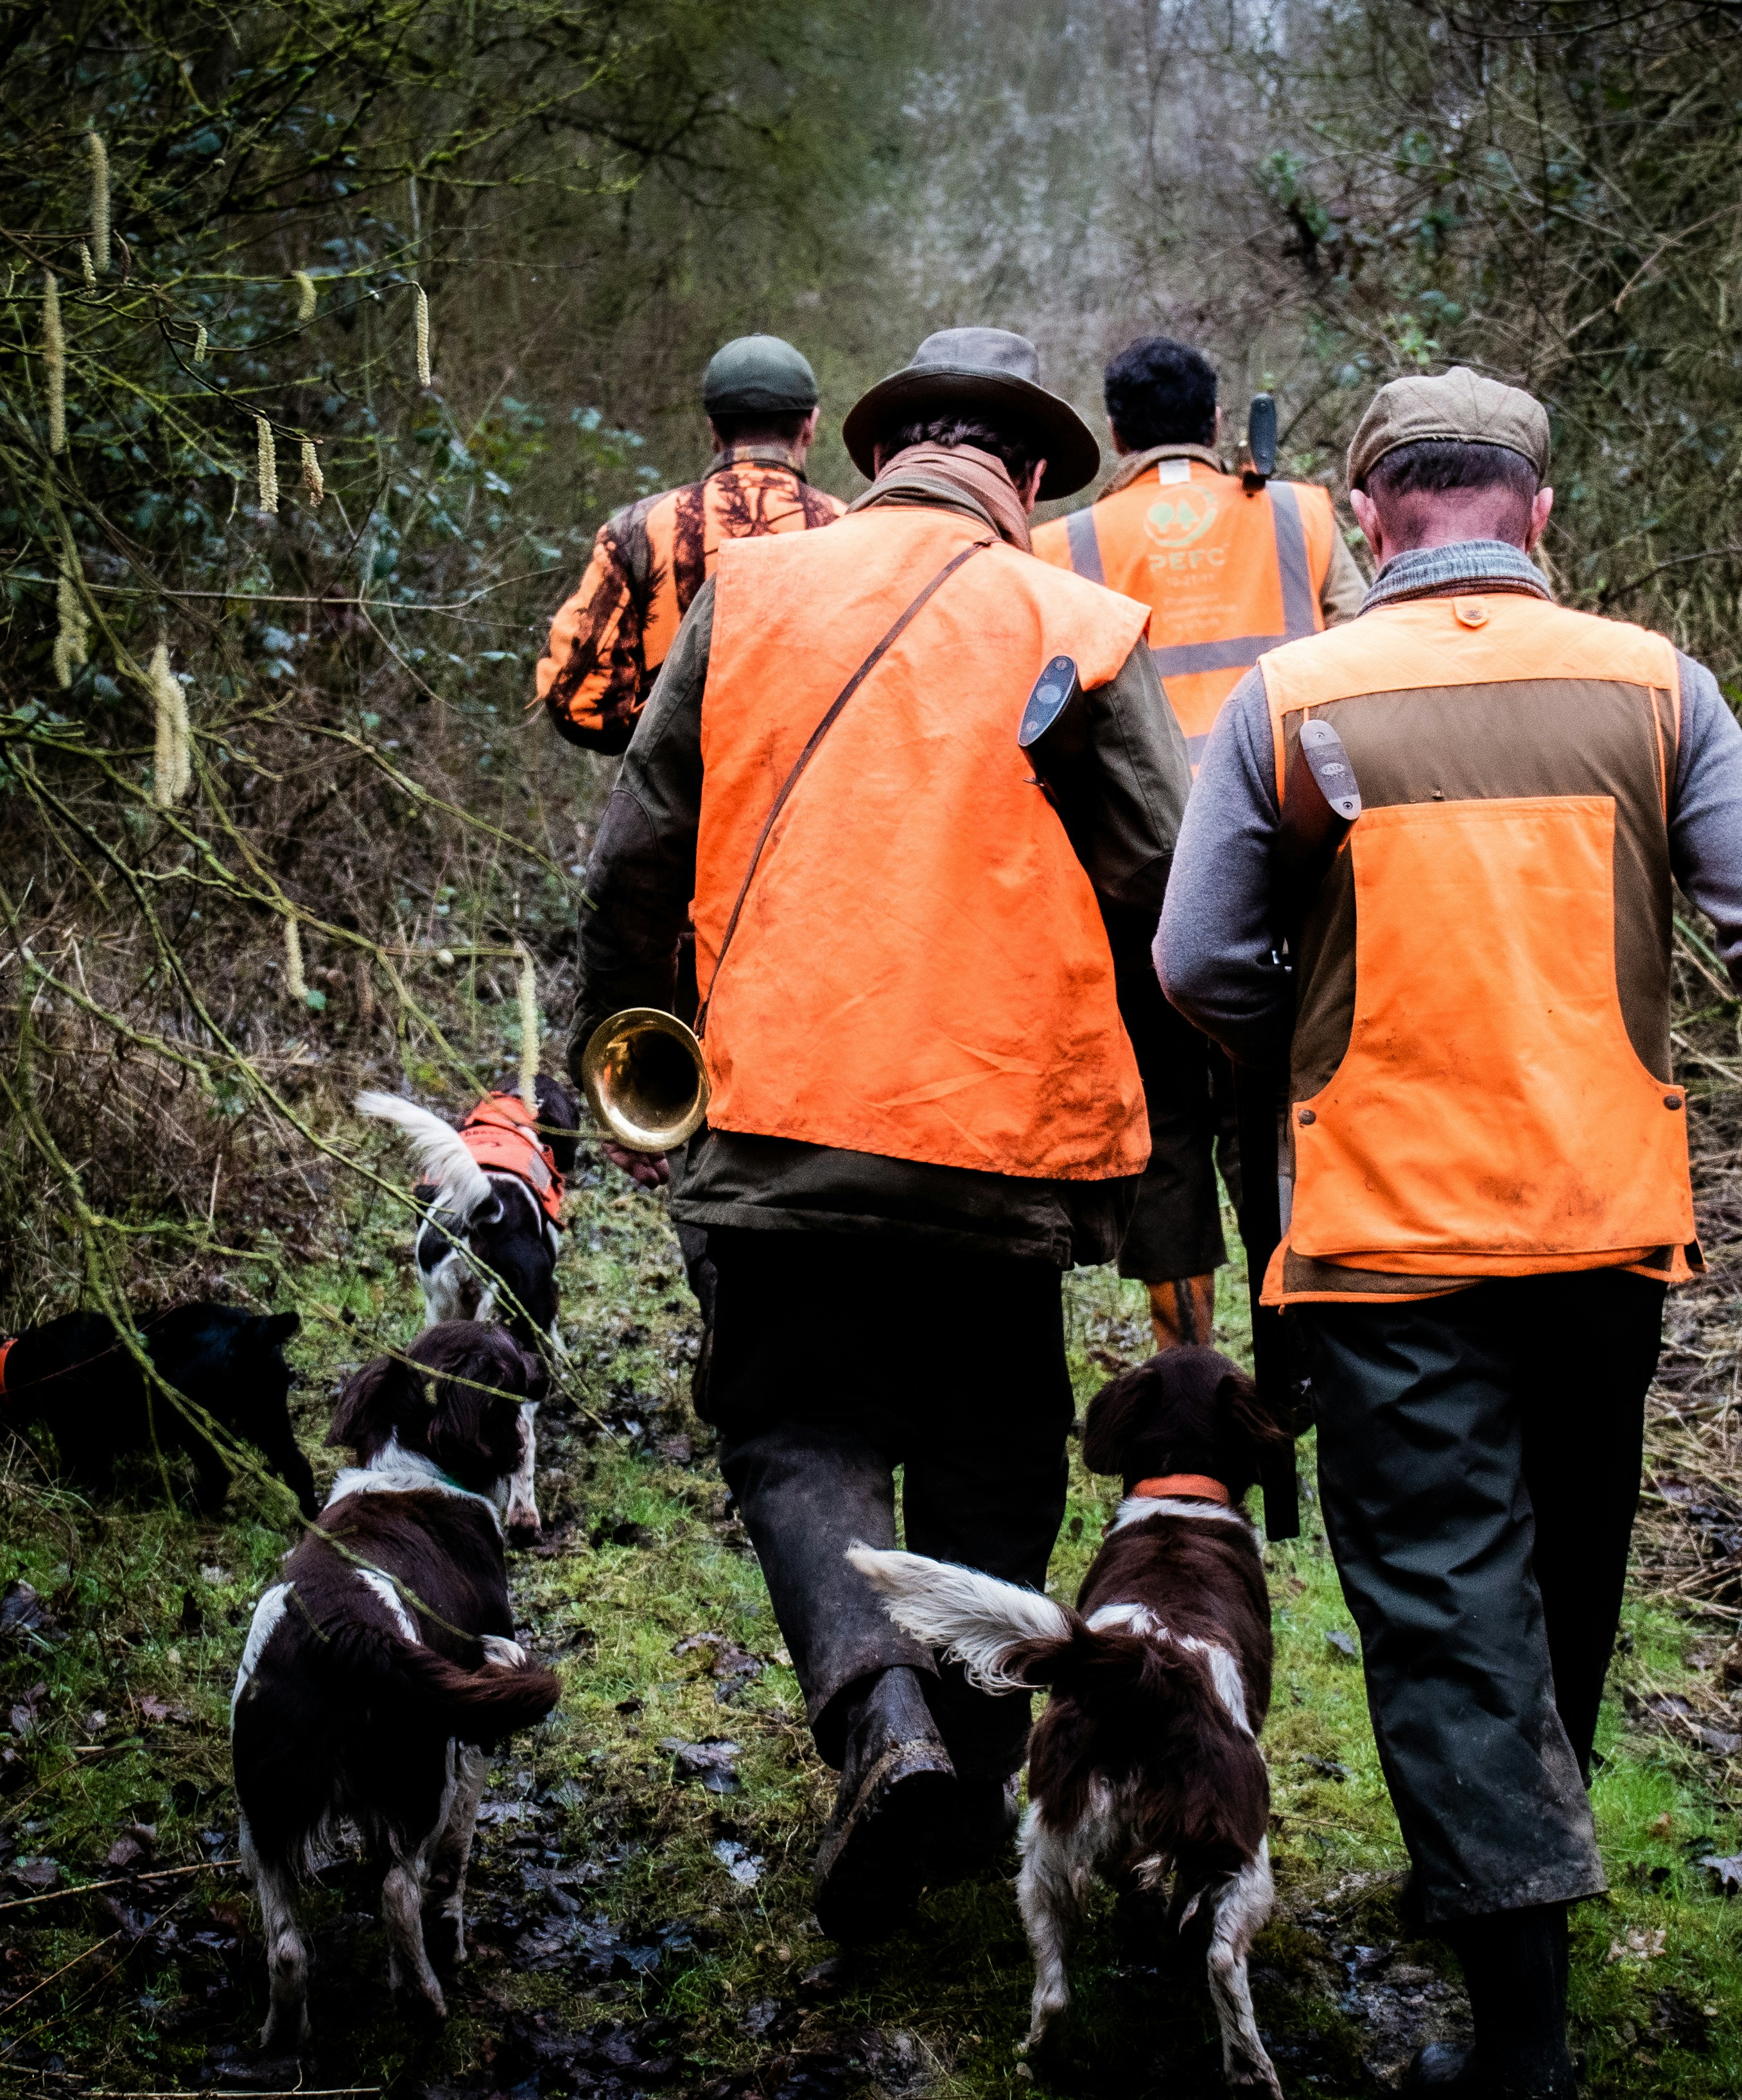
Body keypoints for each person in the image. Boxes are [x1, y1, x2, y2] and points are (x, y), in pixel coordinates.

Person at [1154, 366, 1742, 2100]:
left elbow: (1199, 958)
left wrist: (1320, 1038)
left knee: (1446, 1608)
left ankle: (1521, 2058)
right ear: (1541, 511)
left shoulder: (1290, 693)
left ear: (1366, 517)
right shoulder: (1655, 686)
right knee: (1562, 1574)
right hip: (1603, 1231)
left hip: (1381, 1235)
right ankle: (1517, 1893)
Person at [565, 329, 1192, 1947]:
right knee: (989, 1447)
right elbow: (1172, 901)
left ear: (888, 446)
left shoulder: (754, 595)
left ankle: (880, 1725)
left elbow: (636, 852)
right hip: (1003, 1132)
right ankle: (968, 1773)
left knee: (795, 1429)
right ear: (1039, 476)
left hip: (776, 1112)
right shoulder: (1086, 624)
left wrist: (637, 1056)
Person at [1034, 336, 1366, 1355]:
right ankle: (1306, 1337)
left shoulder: (1061, 546)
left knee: (1169, 1119)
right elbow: (1367, 658)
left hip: (1141, 883)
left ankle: (1190, 1362)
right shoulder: (1303, 515)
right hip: (1294, 869)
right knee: (1291, 1107)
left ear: (1113, 434)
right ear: (1218, 422)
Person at [534, 333, 841, 757]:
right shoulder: (855, 529)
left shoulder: (637, 530)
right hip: (813, 808)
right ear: (810, 426)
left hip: (682, 816)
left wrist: (673, 739)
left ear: (713, 430)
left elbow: (581, 701)